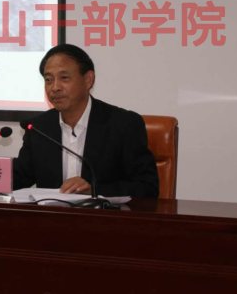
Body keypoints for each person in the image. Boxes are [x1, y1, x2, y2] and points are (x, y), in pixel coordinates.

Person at [13, 44, 159, 198]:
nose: (54, 87)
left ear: (88, 80)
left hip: (103, 213)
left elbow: (147, 187)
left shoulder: (123, 125)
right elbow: (18, 178)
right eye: (48, 80)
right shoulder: (39, 128)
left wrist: (94, 190)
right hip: (53, 213)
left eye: (64, 78)